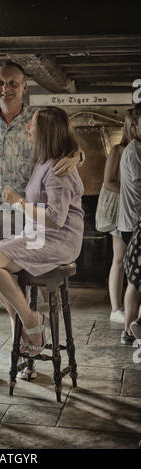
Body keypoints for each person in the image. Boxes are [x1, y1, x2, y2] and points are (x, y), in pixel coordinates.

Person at [0, 61, 84, 381]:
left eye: (13, 82)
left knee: (28, 285)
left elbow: (64, 149)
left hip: (28, 214)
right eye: (1, 82)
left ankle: (28, 356)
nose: (7, 88)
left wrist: (76, 156)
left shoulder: (38, 121)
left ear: (24, 87)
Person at [103, 109, 134, 323]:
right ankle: (116, 309)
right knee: (120, 259)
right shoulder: (119, 150)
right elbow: (108, 182)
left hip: (135, 211)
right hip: (121, 211)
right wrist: (131, 191)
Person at [118, 103, 141, 345]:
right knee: (136, 279)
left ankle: (131, 329)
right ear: (135, 126)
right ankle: (128, 329)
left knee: (138, 279)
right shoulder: (134, 150)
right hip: (135, 224)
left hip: (135, 223)